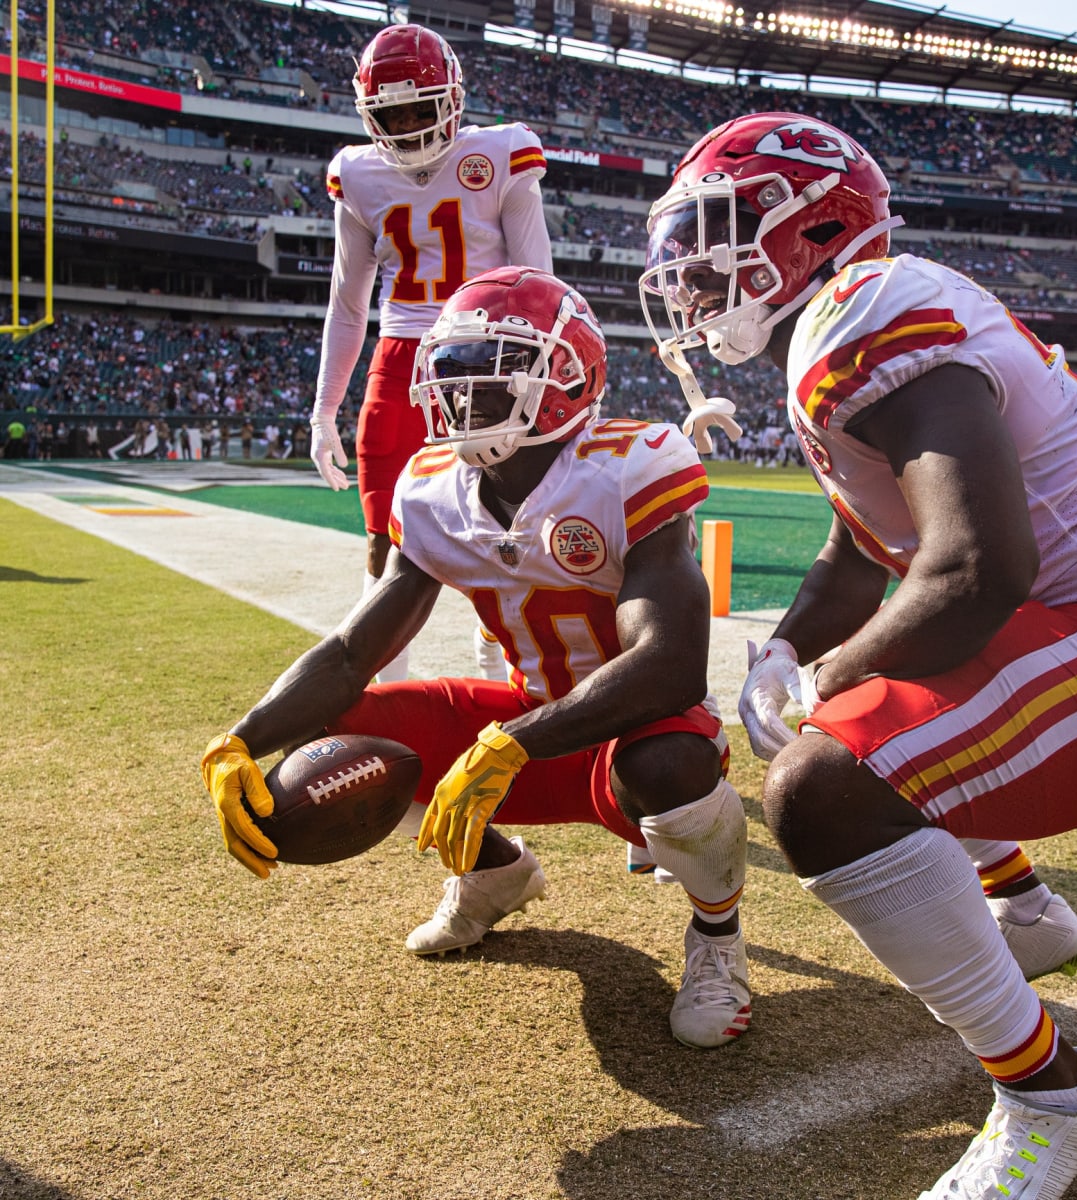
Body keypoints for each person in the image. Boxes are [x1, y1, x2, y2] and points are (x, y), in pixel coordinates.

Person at [639, 112, 1077, 1197]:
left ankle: (1052, 1095)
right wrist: (794, 642)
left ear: (814, 226)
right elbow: (867, 546)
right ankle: (1030, 910)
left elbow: (973, 572)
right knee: (883, 707)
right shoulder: (852, 320)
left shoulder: (865, 310)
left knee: (827, 781)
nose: (693, 269)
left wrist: (826, 682)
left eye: (720, 229)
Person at [202, 268, 751, 1050]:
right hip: (527, 725)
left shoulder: (632, 460)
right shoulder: (431, 487)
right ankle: (494, 872)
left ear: (565, 373)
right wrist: (240, 740)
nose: (464, 388)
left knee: (669, 767)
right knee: (340, 729)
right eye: (454, 368)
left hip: (632, 734)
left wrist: (510, 744)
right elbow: (357, 650)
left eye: (493, 364)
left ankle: (718, 941)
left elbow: (670, 666)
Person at [308, 23, 554, 685]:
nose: (411, 125)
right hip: (402, 357)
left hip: (492, 355)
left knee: (505, 531)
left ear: (453, 100)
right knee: (383, 540)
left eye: (423, 108)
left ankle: (507, 686)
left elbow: (539, 282)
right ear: (370, 116)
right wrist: (323, 411)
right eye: (393, 113)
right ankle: (387, 698)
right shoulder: (357, 174)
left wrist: (547, 375)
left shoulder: (501, 154)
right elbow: (348, 301)